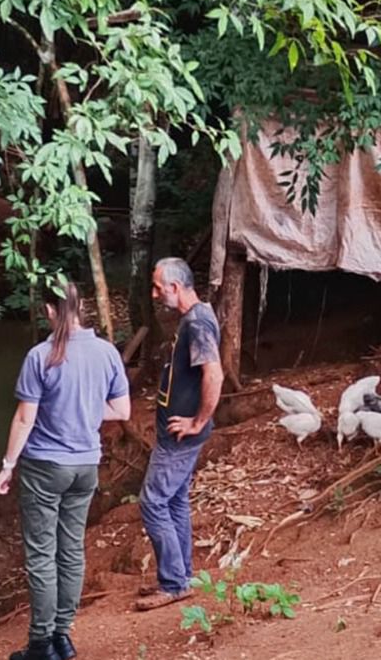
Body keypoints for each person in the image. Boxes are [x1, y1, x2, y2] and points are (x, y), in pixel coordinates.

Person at [0, 281, 131, 660]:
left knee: (41, 554)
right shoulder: (107, 353)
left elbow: (25, 418)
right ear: (81, 306)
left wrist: (7, 467)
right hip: (86, 465)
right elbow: (121, 411)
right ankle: (62, 638)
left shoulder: (41, 356)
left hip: (45, 467)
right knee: (71, 551)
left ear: (51, 311)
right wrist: (84, 412)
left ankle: (40, 644)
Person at [133, 257, 222, 612]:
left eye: (158, 287)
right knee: (173, 501)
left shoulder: (198, 322)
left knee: (152, 502)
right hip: (176, 433)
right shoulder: (193, 319)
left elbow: (213, 374)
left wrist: (198, 422)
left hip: (181, 436)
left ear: (175, 287)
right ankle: (180, 576)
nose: (155, 294)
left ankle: (173, 583)